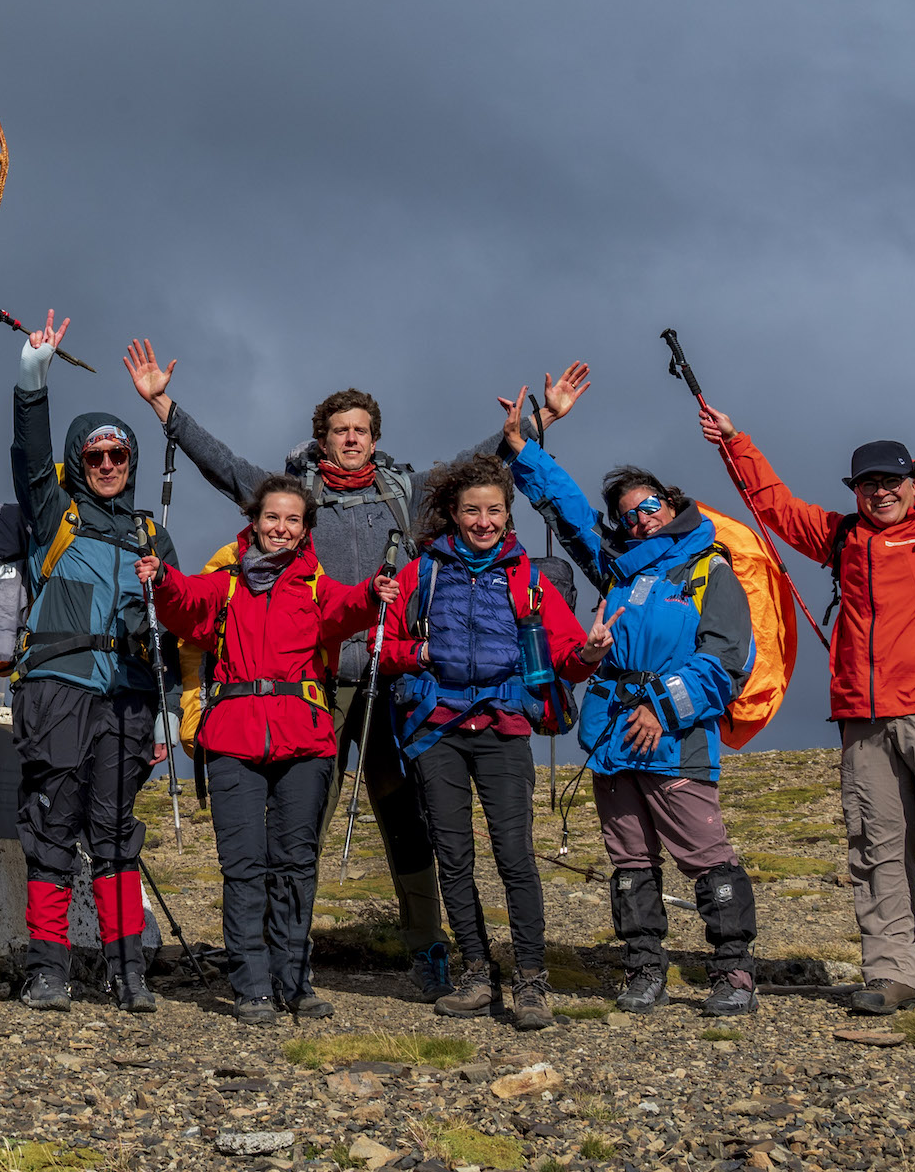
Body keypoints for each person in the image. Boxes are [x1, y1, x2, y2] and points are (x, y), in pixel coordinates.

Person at [701, 354, 915, 1013]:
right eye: (867, 483)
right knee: (875, 845)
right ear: (855, 489)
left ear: (914, 481)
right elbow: (776, 507)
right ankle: (892, 975)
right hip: (863, 716)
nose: (880, 492)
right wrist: (736, 443)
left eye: (891, 481)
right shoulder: (843, 537)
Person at [123, 343, 451, 995]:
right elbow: (222, 465)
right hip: (316, 685)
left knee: (404, 819)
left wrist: (527, 431)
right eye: (339, 431)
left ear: (374, 439)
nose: (351, 439)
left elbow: (474, 479)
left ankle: (426, 947)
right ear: (321, 440)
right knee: (304, 827)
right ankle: (284, 960)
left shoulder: (405, 496)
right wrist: (165, 406)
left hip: (391, 680)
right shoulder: (291, 498)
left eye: (361, 430)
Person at [497, 371, 761, 1017]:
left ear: (672, 507)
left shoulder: (709, 569)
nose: (640, 518)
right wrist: (526, 450)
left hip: (675, 739)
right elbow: (570, 512)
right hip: (614, 739)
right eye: (629, 513)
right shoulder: (619, 571)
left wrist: (661, 705)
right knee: (630, 861)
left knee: (705, 856)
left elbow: (726, 661)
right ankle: (644, 970)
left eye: (650, 506)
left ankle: (734, 973)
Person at [138, 476, 398, 1025]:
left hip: (304, 740)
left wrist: (376, 590)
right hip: (232, 740)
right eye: (272, 518)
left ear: (306, 531)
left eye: (293, 520)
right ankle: (251, 984)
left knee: (296, 866)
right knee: (244, 867)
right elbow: (185, 606)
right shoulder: (226, 582)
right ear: (255, 521)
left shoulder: (314, 586)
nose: (281, 528)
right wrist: (161, 580)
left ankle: (294, 981)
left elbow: (350, 608)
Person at [373, 454, 603, 1031]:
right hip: (438, 732)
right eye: (471, 510)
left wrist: (591, 654)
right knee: (454, 859)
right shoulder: (420, 572)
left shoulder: (529, 577)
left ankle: (531, 981)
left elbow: (565, 659)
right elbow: (386, 648)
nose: (482, 521)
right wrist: (420, 654)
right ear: (452, 513)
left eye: (493, 510)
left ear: (508, 514)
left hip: (504, 729)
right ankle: (477, 974)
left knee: (515, 858)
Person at [10, 311, 174, 1014]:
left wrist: (167, 720)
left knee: (115, 835)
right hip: (57, 693)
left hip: (131, 697)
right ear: (79, 461)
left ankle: (126, 970)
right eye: (96, 456)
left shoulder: (151, 535)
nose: (108, 465)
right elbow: (27, 455)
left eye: (119, 456)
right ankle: (48, 969)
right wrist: (31, 378)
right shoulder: (56, 516)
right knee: (53, 828)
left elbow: (174, 631)